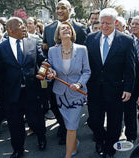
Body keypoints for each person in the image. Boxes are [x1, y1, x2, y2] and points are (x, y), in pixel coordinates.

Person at [85, 8, 135, 158]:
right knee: (94, 121)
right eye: (102, 23)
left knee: (114, 124)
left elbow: (130, 67)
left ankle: (109, 150)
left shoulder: (126, 40)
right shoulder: (91, 38)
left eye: (108, 23)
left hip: (116, 90)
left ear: (115, 22)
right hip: (94, 89)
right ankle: (101, 139)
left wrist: (128, 88)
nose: (104, 26)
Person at [0, 17, 46, 158]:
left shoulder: (33, 42)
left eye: (24, 25)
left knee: (36, 120)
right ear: (10, 29)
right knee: (15, 125)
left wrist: (46, 69)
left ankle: (41, 137)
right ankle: (18, 150)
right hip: (12, 94)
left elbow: (42, 61)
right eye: (20, 25)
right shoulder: (0, 48)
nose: (24, 27)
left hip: (31, 91)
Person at [43, 0, 87, 145]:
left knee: (73, 112)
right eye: (58, 8)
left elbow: (84, 56)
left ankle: (70, 134)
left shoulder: (80, 28)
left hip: (75, 80)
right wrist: (49, 70)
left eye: (63, 8)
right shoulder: (48, 28)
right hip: (57, 80)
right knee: (55, 106)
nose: (60, 10)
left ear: (70, 10)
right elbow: (45, 53)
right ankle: (64, 128)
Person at [46, 21, 91, 158]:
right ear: (58, 34)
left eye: (68, 28)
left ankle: (67, 155)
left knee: (71, 126)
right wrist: (51, 74)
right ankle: (74, 142)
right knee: (68, 125)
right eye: (62, 28)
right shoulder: (52, 51)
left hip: (77, 94)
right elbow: (50, 71)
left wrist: (79, 84)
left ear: (72, 32)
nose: (66, 29)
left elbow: (87, 71)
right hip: (60, 94)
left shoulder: (82, 49)